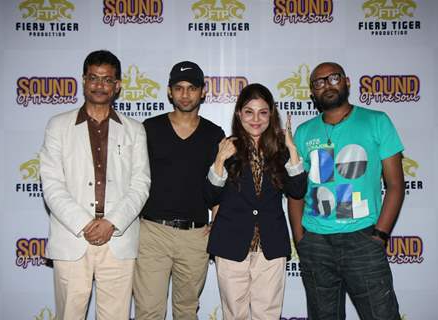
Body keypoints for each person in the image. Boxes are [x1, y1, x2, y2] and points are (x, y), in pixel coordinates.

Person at [39, 50, 151, 320]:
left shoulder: (135, 130)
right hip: (72, 239)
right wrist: (85, 223)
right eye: (94, 78)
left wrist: (111, 222)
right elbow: (52, 184)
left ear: (118, 85)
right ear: (83, 80)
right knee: (69, 315)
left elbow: (141, 184)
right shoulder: (58, 126)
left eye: (107, 79)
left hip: (118, 240)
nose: (100, 85)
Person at [289, 62, 405, 320]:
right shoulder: (304, 132)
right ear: (312, 92)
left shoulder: (377, 121)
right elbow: (296, 191)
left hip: (363, 240)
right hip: (316, 243)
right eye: (319, 82)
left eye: (333, 78)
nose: (327, 85)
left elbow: (396, 185)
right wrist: (301, 239)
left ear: (347, 82)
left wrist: (380, 236)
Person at [206, 83, 307, 319]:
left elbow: (298, 190)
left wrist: (292, 150)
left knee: (268, 314)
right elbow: (210, 196)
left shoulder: (281, 151)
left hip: (270, 245)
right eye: (249, 112)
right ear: (239, 113)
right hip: (231, 243)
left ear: (271, 115)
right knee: (234, 314)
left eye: (263, 112)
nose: (256, 119)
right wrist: (220, 160)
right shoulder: (225, 147)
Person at [133, 61, 225, 320]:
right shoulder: (149, 129)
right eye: (179, 88)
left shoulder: (213, 134)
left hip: (195, 236)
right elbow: (134, 179)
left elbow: (218, 183)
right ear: (169, 92)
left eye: (192, 88)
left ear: (203, 92)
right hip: (152, 233)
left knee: (186, 312)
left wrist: (217, 219)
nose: (185, 94)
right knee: (148, 311)